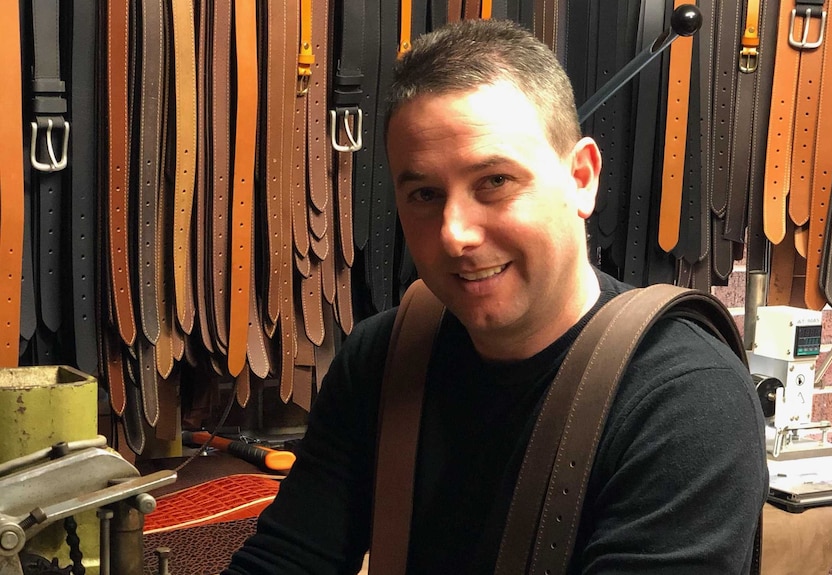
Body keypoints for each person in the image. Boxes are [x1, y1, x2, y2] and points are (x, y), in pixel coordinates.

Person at [224, 18, 767, 574]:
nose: (454, 232)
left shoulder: (686, 403)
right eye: (425, 194)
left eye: (495, 182)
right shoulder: (384, 359)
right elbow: (287, 558)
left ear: (581, 178)